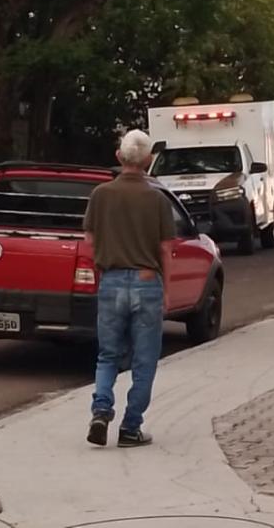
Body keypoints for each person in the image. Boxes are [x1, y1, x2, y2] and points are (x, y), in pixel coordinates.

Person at [84, 129, 176, 448]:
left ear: (119, 157)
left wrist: (104, 269)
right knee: (144, 360)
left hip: (111, 281)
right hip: (147, 281)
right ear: (149, 160)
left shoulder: (100, 195)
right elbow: (165, 248)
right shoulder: (157, 198)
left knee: (108, 355)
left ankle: (100, 410)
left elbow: (90, 241)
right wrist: (167, 288)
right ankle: (130, 427)